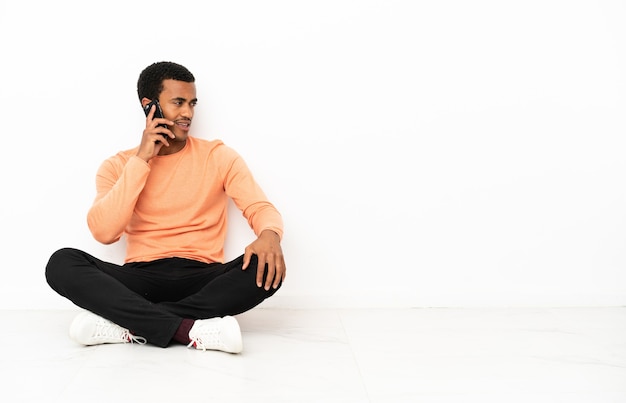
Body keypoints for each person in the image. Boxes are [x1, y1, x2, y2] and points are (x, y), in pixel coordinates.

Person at [45, 61, 286, 354]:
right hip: (140, 278)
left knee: (267, 266)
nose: (188, 113)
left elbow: (259, 207)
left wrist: (270, 235)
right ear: (150, 107)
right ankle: (189, 328)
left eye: (192, 103)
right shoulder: (117, 166)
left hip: (203, 276)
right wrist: (142, 160)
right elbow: (104, 232)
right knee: (62, 263)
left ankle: (129, 325)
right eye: (178, 103)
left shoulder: (219, 156)